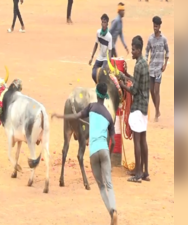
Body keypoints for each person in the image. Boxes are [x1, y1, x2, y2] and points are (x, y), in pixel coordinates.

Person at [51, 83, 118, 225]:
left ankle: (110, 213)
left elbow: (76, 115)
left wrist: (60, 116)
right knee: (109, 185)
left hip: (93, 152)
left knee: (100, 187)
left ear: (96, 95)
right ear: (105, 97)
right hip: (105, 151)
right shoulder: (108, 115)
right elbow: (113, 140)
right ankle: (114, 210)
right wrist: (110, 155)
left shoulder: (91, 107)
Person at [119, 36, 150, 183]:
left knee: (137, 141)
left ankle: (137, 174)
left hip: (137, 107)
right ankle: (145, 171)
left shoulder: (138, 66)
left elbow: (135, 89)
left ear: (138, 50)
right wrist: (126, 75)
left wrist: (123, 85)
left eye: (133, 49)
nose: (132, 51)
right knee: (143, 140)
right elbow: (137, 81)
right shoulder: (144, 64)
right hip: (145, 107)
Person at [145, 16, 170, 122]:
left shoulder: (163, 39)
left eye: (156, 26)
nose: (155, 28)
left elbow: (167, 52)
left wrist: (165, 65)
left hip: (159, 69)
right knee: (151, 90)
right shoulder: (150, 39)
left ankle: (156, 113)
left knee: (156, 91)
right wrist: (146, 61)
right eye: (153, 26)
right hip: (151, 68)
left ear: (159, 26)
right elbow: (146, 52)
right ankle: (157, 109)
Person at [89, 14, 113, 84]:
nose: (103, 24)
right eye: (102, 22)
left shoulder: (109, 37)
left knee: (103, 73)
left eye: (105, 22)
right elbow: (96, 45)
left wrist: (109, 62)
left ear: (107, 23)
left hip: (106, 57)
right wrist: (92, 57)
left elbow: (110, 51)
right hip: (100, 56)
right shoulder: (98, 33)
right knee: (94, 73)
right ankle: (98, 85)